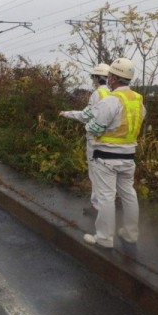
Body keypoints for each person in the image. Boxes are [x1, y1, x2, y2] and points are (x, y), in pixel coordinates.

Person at [82, 58, 145, 248]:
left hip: (106, 157)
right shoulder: (138, 100)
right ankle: (131, 234)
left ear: (115, 78)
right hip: (128, 156)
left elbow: (94, 128)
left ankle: (104, 238)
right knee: (129, 195)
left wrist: (90, 125)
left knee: (106, 197)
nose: (108, 78)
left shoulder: (111, 101)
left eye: (110, 75)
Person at [59, 63, 110, 216]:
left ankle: (97, 208)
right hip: (114, 142)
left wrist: (66, 113)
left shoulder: (97, 94)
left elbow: (85, 115)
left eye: (93, 77)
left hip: (96, 141)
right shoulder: (116, 94)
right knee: (109, 177)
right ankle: (109, 207)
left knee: (95, 174)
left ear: (97, 78)